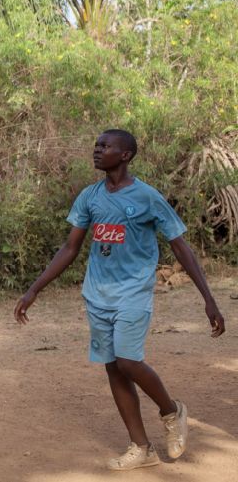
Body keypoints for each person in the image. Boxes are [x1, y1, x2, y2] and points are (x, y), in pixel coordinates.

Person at [14, 129, 226, 470]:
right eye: (96, 145)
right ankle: (141, 448)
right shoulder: (90, 197)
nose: (97, 151)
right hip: (97, 294)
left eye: (105, 146)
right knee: (114, 367)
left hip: (133, 291)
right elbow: (71, 248)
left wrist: (208, 298)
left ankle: (171, 411)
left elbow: (179, 245)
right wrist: (34, 289)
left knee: (128, 361)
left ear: (125, 155)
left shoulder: (147, 197)